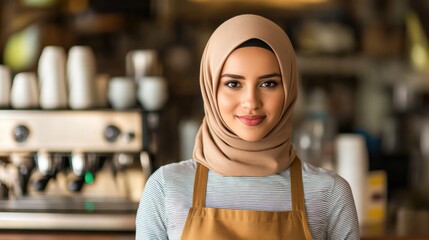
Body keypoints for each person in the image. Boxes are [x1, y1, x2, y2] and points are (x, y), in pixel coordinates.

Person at [136, 14, 359, 239]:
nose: (251, 102)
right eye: (233, 83)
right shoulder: (166, 188)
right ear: (210, 89)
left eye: (268, 83)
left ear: (289, 89)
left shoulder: (329, 193)